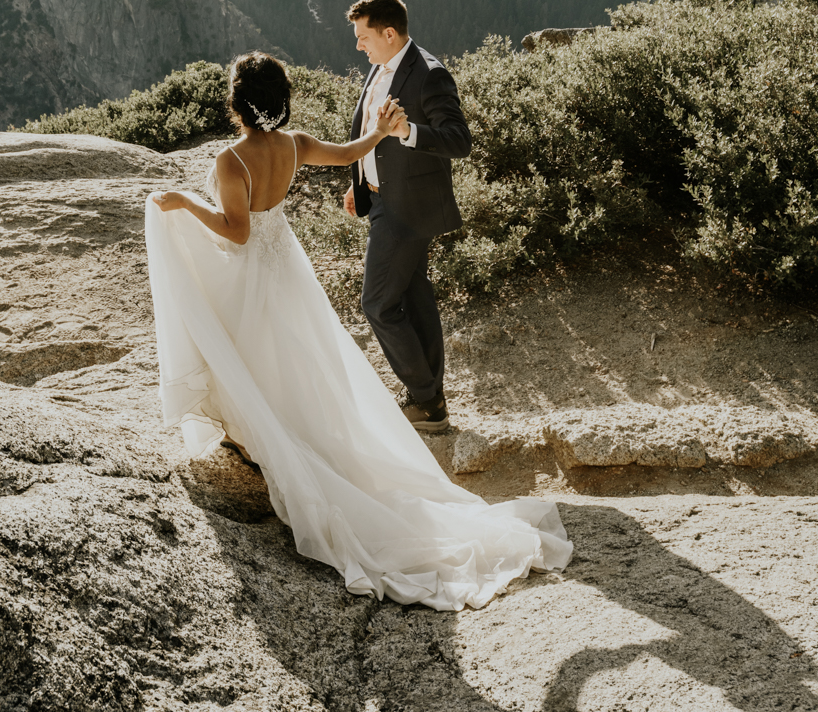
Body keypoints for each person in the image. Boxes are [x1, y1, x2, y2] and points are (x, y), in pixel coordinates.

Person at [146, 50, 571, 611]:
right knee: (297, 358)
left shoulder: (232, 161)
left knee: (249, 351)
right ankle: (280, 434)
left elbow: (237, 233)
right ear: (279, 101)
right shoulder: (292, 144)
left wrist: (184, 202)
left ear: (237, 103)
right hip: (288, 272)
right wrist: (377, 131)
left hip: (253, 272)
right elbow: (348, 153)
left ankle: (267, 441)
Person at [342, 0, 471, 434]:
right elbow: (368, 128)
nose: (359, 45)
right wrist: (360, 181)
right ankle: (432, 403)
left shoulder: (429, 75)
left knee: (377, 303)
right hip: (382, 199)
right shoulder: (381, 67)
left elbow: (458, 140)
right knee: (415, 297)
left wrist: (410, 131)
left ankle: (425, 398)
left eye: (364, 37)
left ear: (390, 33)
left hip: (408, 208)